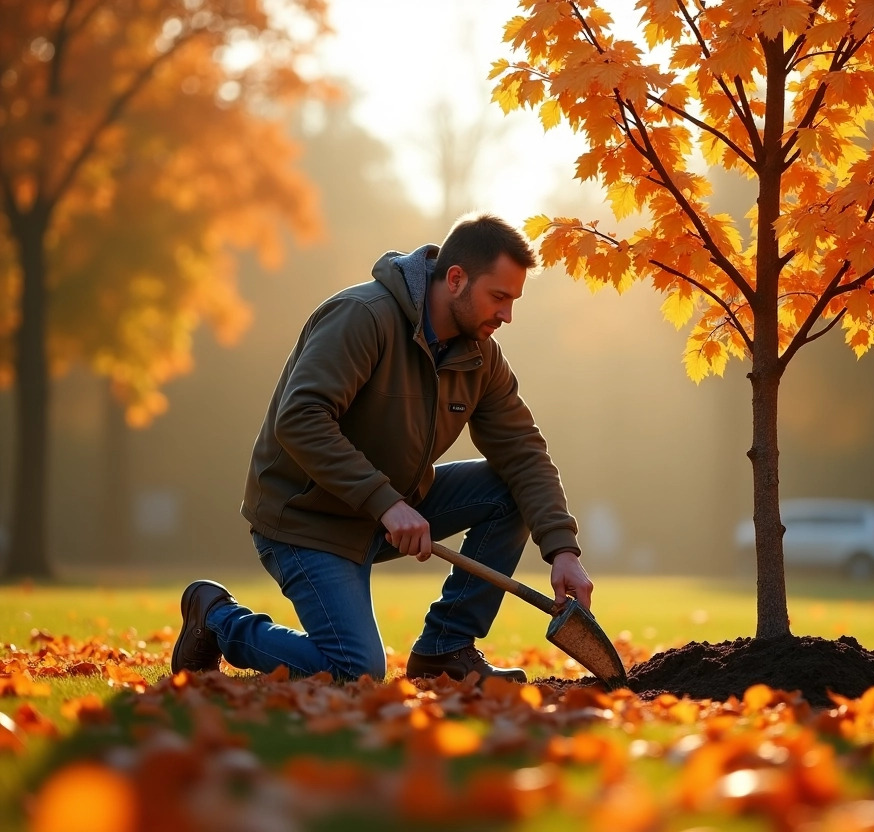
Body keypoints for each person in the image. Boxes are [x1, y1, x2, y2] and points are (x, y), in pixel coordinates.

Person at [170, 214, 592, 684]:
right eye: (499, 297)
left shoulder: (480, 356)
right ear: (455, 279)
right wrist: (386, 502)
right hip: (306, 519)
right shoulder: (362, 316)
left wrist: (562, 551)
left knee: (508, 489)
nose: (507, 315)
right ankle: (217, 619)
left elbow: (524, 453)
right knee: (355, 671)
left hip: (388, 510)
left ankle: (445, 649)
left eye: (513, 300)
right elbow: (301, 419)